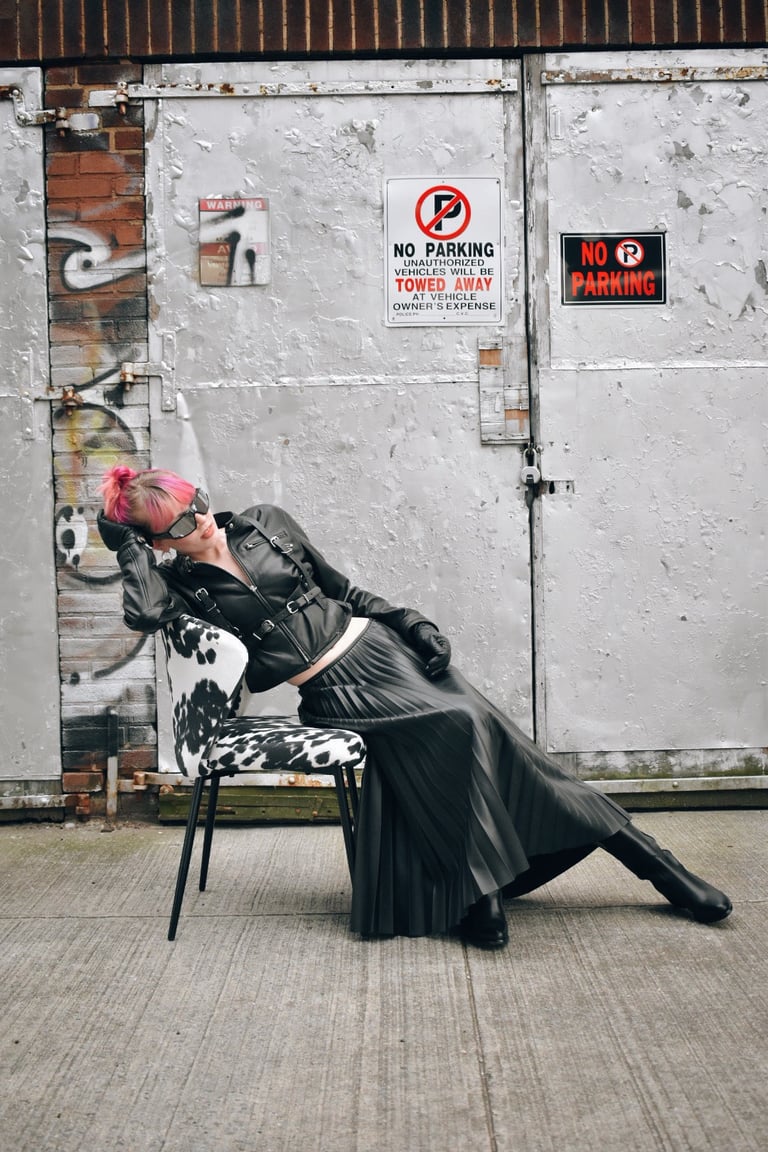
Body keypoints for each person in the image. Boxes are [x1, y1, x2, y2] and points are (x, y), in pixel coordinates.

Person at [98, 464, 732, 948]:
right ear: (157, 541)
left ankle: (656, 868)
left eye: (197, 503)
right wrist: (126, 546)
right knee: (458, 723)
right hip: (334, 691)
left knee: (499, 736)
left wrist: (410, 620)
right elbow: (143, 614)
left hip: (385, 651)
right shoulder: (175, 585)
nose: (200, 520)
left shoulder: (265, 523)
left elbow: (343, 590)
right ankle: (479, 886)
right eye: (178, 524)